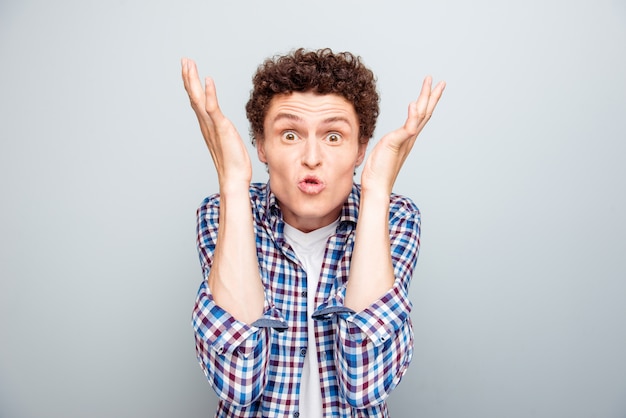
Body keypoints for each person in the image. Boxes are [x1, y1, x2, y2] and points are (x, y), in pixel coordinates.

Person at [182, 48, 445, 417]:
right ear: (261, 145)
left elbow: (366, 383)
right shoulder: (221, 212)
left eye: (334, 137)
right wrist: (232, 185)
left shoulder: (395, 217)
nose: (311, 157)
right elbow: (237, 383)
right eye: (289, 135)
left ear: (360, 149)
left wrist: (376, 191)